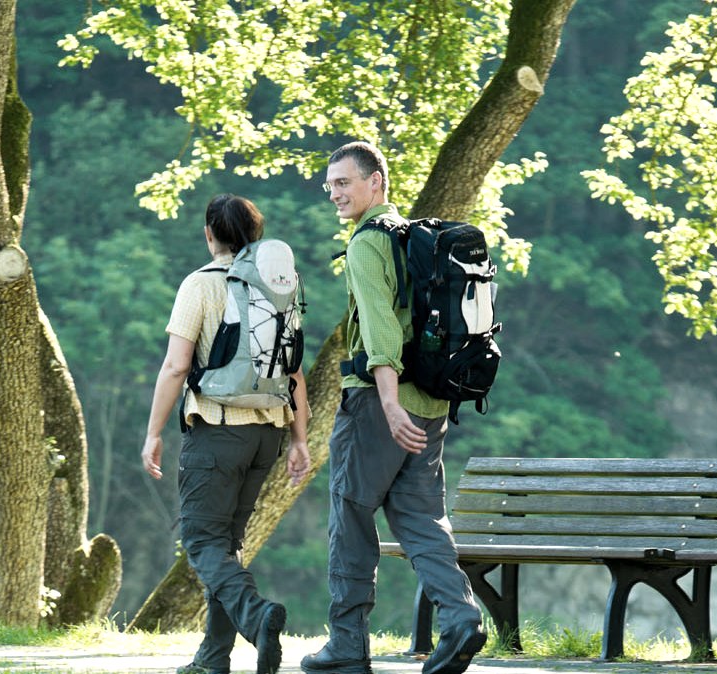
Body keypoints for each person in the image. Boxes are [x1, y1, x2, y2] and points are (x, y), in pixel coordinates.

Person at [300, 142, 487, 674]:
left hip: (378, 406)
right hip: (430, 401)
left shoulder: (366, 244)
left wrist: (386, 401)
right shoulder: (416, 240)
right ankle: (460, 620)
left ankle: (346, 645)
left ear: (376, 182)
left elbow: (380, 329)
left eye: (345, 183)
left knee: (351, 513)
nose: (335, 193)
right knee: (422, 517)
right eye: (330, 184)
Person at [142, 193, 312, 674]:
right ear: (255, 236)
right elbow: (294, 370)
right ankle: (213, 657)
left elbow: (176, 366)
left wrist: (153, 432)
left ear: (209, 233)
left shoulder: (200, 284)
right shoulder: (281, 285)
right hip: (269, 434)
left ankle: (257, 616)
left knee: (201, 540)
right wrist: (299, 440)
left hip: (217, 430)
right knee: (227, 545)